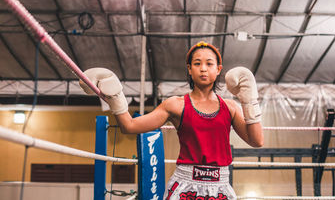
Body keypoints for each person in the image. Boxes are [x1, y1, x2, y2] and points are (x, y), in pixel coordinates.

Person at [79, 40, 264, 200]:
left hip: (221, 186)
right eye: (197, 63)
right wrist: (115, 97)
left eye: (209, 63)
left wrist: (249, 100)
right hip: (186, 184)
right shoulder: (175, 105)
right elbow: (130, 126)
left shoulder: (230, 107)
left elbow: (257, 141)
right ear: (189, 69)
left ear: (218, 69)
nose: (203, 68)